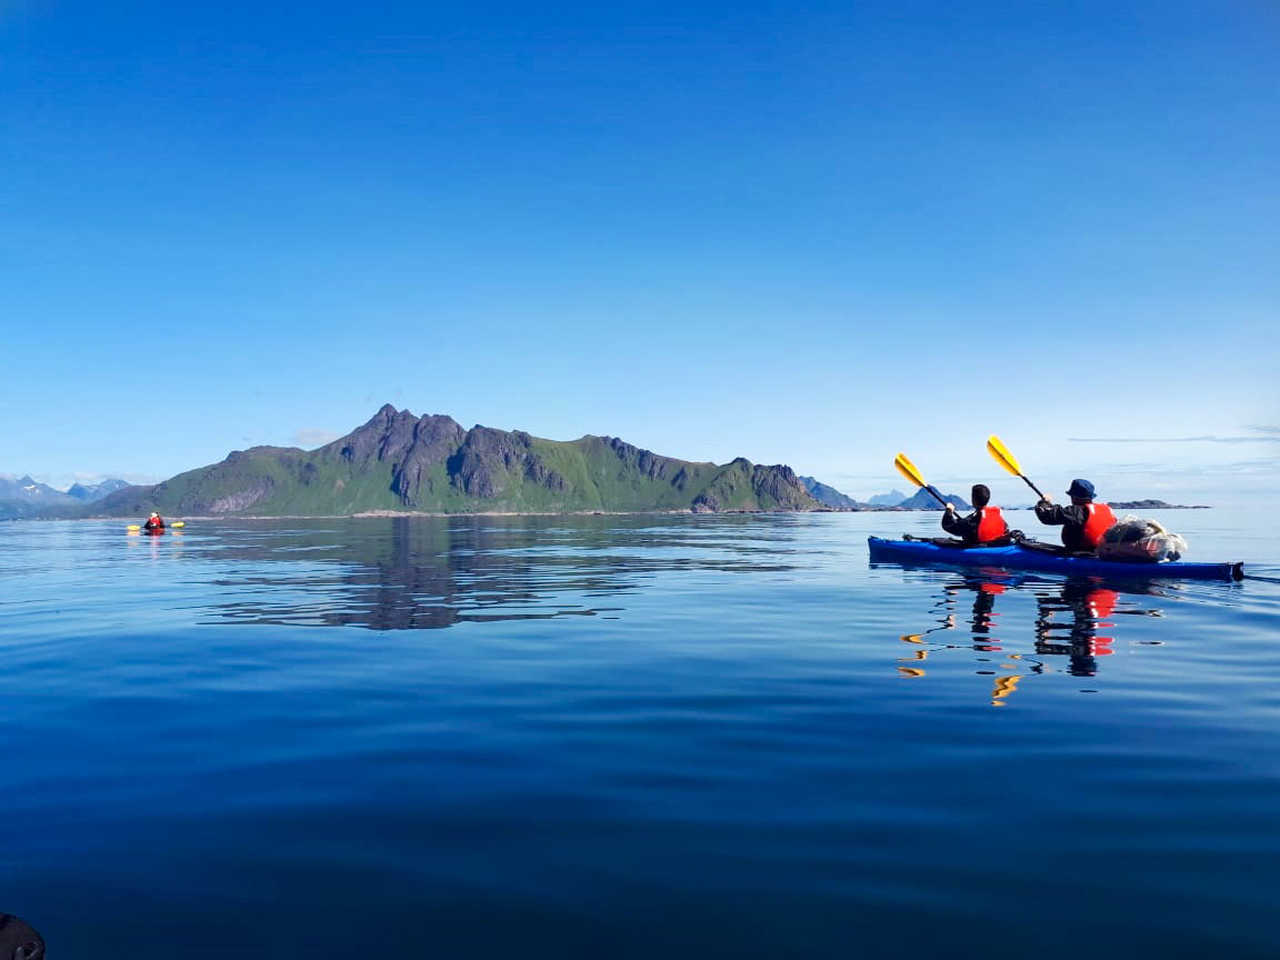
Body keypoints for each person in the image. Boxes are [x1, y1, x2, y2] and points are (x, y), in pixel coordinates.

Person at [1034, 478, 1116, 552]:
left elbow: (1046, 516)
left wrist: (1044, 502)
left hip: (1079, 553)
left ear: (1073, 497)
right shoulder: (1107, 510)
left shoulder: (1075, 511)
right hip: (1102, 553)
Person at [941, 483, 1009, 545]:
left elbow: (948, 525)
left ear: (973, 500)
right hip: (995, 546)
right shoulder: (998, 517)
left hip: (978, 550)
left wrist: (949, 510)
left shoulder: (972, 521)